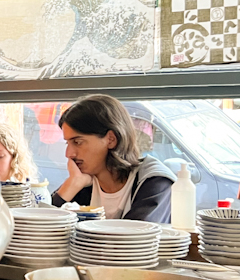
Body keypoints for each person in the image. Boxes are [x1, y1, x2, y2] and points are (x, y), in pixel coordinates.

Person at [51, 94, 175, 222]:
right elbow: (40, 226)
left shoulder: (155, 182)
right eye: (68, 143)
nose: (69, 153)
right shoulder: (83, 183)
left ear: (111, 139)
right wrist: (71, 185)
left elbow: (134, 237)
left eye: (77, 142)